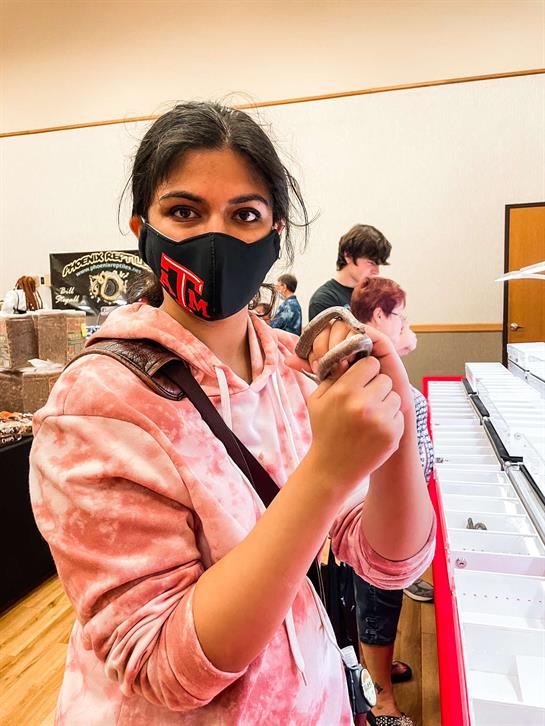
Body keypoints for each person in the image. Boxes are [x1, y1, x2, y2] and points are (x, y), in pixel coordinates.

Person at [30, 102, 435, 725]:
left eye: (245, 215)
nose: (213, 239)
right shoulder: (95, 405)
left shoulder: (291, 366)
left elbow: (391, 560)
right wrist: (326, 471)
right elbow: (166, 662)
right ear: (144, 229)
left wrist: (395, 403)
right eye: (184, 212)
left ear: (275, 237)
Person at [351, 276, 435, 726]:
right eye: (400, 314)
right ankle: (380, 699)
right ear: (380, 316)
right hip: (377, 517)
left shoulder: (381, 361)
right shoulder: (371, 370)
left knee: (385, 601)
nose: (407, 325)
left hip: (392, 514)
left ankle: (377, 672)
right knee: (377, 603)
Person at [308, 224, 391, 320]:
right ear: (348, 256)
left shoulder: (374, 296)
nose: (376, 271)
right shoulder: (323, 300)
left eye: (378, 264)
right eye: (370, 262)